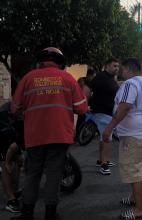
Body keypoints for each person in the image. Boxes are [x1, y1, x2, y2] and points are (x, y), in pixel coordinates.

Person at [10, 47, 88, 220]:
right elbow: (82, 108)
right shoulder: (68, 79)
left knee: (32, 175)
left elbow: (14, 109)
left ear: (40, 61)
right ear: (60, 63)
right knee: (54, 175)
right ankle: (50, 215)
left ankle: (27, 214)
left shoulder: (28, 78)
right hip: (60, 136)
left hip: (35, 136)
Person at [102, 58, 142, 220]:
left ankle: (139, 209)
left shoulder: (129, 84)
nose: (120, 71)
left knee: (134, 172)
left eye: (122, 69)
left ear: (128, 70)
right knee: (138, 171)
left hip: (135, 135)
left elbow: (124, 107)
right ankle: (134, 199)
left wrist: (109, 128)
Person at [90, 58, 119, 175]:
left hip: (108, 113)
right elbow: (88, 88)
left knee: (104, 137)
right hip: (102, 112)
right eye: (114, 66)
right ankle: (104, 165)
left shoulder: (111, 78)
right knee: (106, 138)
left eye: (118, 66)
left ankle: (101, 160)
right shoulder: (101, 77)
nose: (116, 68)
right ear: (106, 66)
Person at [0, 102, 24, 213]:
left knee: (17, 159)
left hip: (12, 124)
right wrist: (8, 162)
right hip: (3, 130)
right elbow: (12, 147)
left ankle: (14, 191)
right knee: (5, 163)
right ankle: (11, 200)